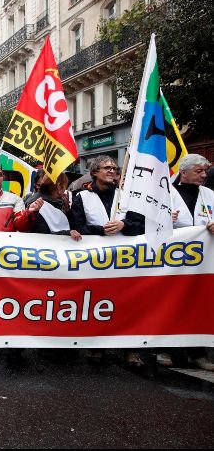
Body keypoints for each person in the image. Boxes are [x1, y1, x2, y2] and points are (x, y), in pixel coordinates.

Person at [69, 155, 145, 368]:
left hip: (126, 261)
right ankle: (97, 346)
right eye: (107, 168)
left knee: (129, 304)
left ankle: (131, 350)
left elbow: (141, 224)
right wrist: (100, 230)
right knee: (99, 304)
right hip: (97, 262)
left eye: (114, 168)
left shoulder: (127, 196)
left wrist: (124, 225)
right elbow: (78, 226)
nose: (112, 171)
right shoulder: (81, 197)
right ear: (94, 172)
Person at [159, 154, 214, 371]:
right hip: (170, 262)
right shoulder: (166, 194)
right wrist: (163, 221)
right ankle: (165, 349)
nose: (203, 175)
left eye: (204, 171)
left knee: (196, 305)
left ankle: (197, 352)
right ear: (184, 172)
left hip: (201, 264)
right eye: (198, 171)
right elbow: (147, 224)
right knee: (169, 303)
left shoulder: (209, 195)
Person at [25, 173, 82, 241]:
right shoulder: (38, 204)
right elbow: (42, 234)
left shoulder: (55, 201)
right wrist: (67, 233)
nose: (65, 190)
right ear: (59, 187)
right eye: (64, 187)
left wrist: (67, 210)